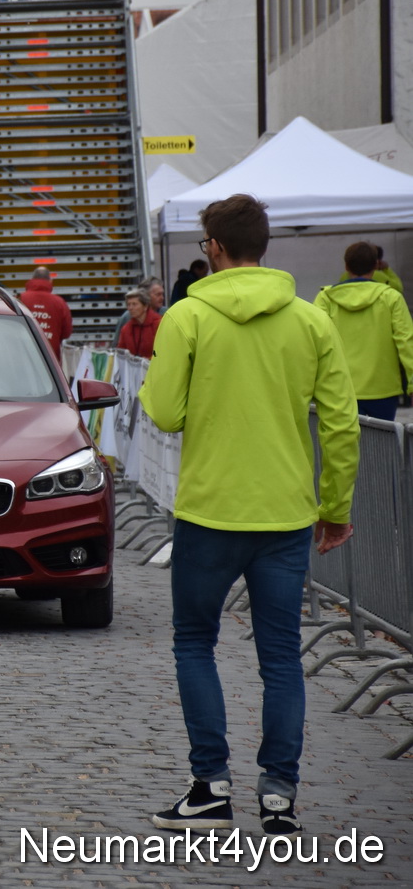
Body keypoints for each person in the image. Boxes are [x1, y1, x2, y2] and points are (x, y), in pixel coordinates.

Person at [138, 193, 357, 837]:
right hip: (285, 512)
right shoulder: (311, 320)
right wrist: (335, 506)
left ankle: (210, 784)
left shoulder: (187, 317)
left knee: (193, 643)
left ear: (213, 248)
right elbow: (341, 423)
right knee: (281, 658)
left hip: (210, 509)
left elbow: (166, 413)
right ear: (265, 246)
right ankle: (280, 794)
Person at [314, 241, 413, 421]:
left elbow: (312, 342)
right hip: (383, 389)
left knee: (346, 445)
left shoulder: (326, 298)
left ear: (346, 266)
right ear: (376, 265)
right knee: (382, 446)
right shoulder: (391, 297)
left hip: (340, 387)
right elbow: (407, 342)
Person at [20, 267, 73, 353]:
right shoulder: (59, 302)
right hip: (49, 358)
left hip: (25, 353)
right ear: (50, 281)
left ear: (31, 280)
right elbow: (66, 333)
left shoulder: (20, 299)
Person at [334, 244, 403, 293]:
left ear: (346, 266)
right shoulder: (380, 276)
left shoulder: (344, 276)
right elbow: (398, 288)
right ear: (376, 264)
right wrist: (387, 269)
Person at [117, 288, 160, 359]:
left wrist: (151, 359)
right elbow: (121, 353)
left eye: (134, 304)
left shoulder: (158, 324)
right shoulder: (126, 329)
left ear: (145, 306)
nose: (130, 308)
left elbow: (164, 349)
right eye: (128, 304)